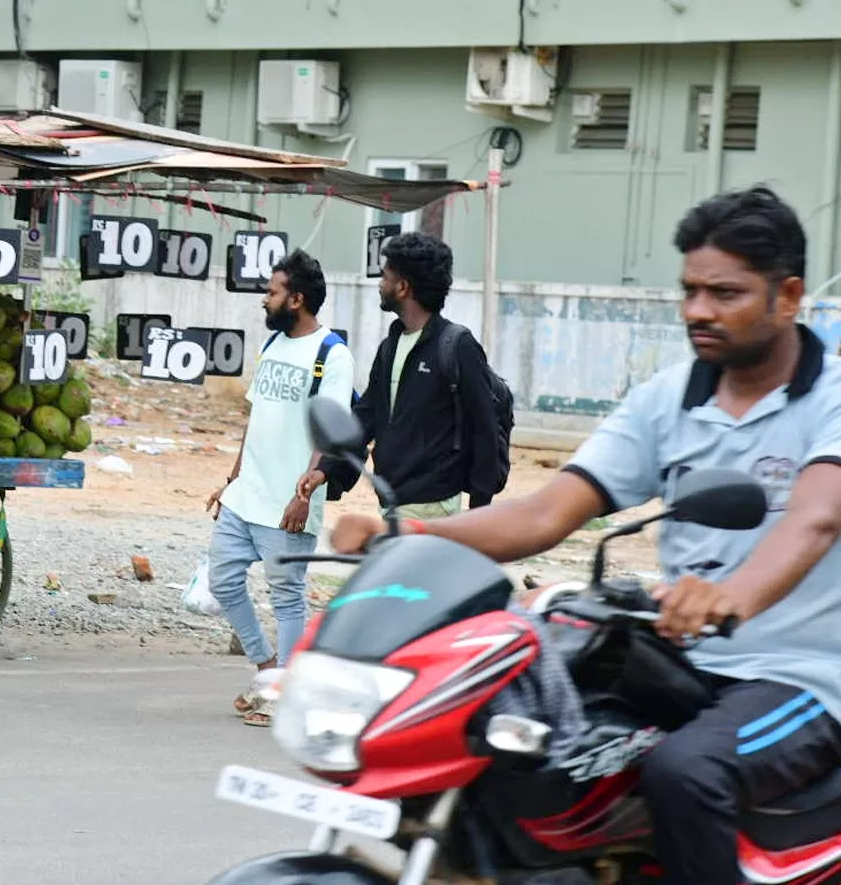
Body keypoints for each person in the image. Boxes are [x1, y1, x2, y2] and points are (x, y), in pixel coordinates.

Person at [329, 185, 841, 885]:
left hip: (802, 678)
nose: (698, 310)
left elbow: (816, 516)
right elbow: (548, 513)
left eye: (725, 293)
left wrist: (732, 597)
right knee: (514, 735)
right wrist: (409, 531)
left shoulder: (832, 397)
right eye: (690, 290)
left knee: (686, 772)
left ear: (788, 296)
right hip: (681, 661)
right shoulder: (670, 397)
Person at [205, 247, 355, 727]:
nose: (263, 300)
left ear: (297, 299)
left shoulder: (332, 354)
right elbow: (257, 415)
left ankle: (283, 692)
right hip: (248, 494)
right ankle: (268, 670)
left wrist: (304, 493)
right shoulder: (272, 346)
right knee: (222, 579)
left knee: (286, 596)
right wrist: (232, 478)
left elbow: (328, 430)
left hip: (290, 502)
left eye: (272, 292)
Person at [295, 231, 502, 521]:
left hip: (431, 505)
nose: (381, 285)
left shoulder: (457, 346)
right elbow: (367, 416)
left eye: (386, 277)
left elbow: (484, 431)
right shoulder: (391, 345)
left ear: (403, 287)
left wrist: (479, 515)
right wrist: (324, 469)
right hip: (394, 499)